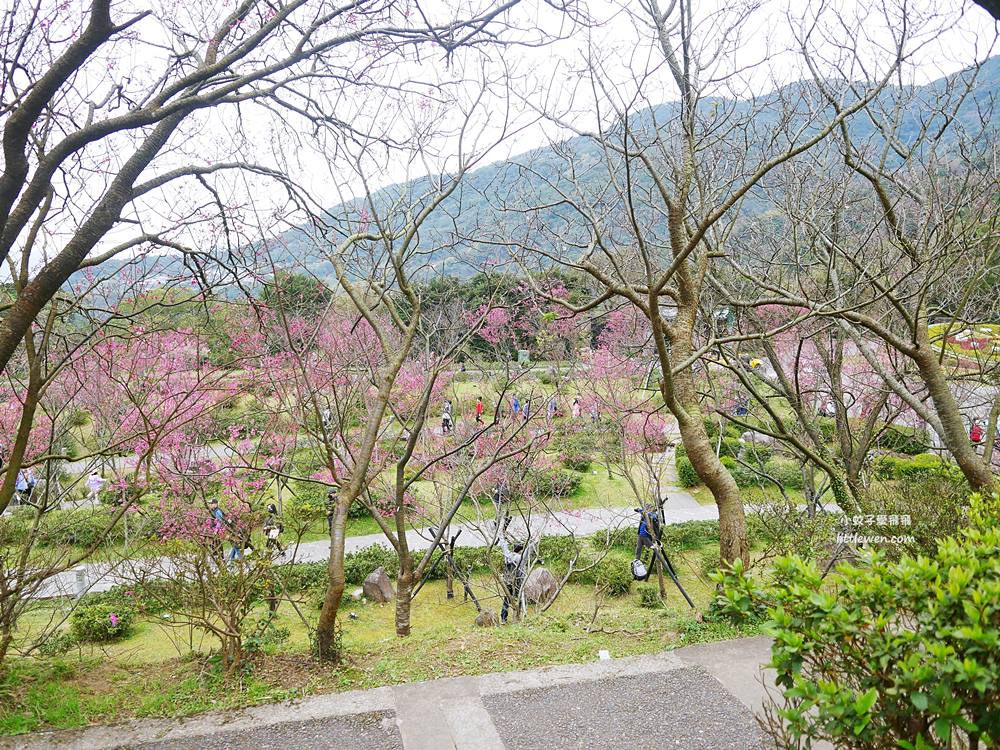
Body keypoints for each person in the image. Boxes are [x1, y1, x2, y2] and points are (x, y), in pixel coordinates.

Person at [497, 534, 533, 624]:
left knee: (507, 600)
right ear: (520, 550)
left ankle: (503, 618)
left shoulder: (507, 555)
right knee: (521, 599)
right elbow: (529, 550)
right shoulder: (520, 558)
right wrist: (533, 541)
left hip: (508, 581)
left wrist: (501, 537)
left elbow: (504, 546)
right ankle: (519, 615)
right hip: (518, 582)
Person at [633, 504, 662, 581]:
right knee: (638, 549)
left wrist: (641, 510)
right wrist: (638, 510)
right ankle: (637, 565)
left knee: (652, 549)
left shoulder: (652, 515)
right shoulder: (645, 515)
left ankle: (658, 564)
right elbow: (641, 512)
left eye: (647, 508)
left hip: (646, 536)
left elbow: (649, 515)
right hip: (640, 535)